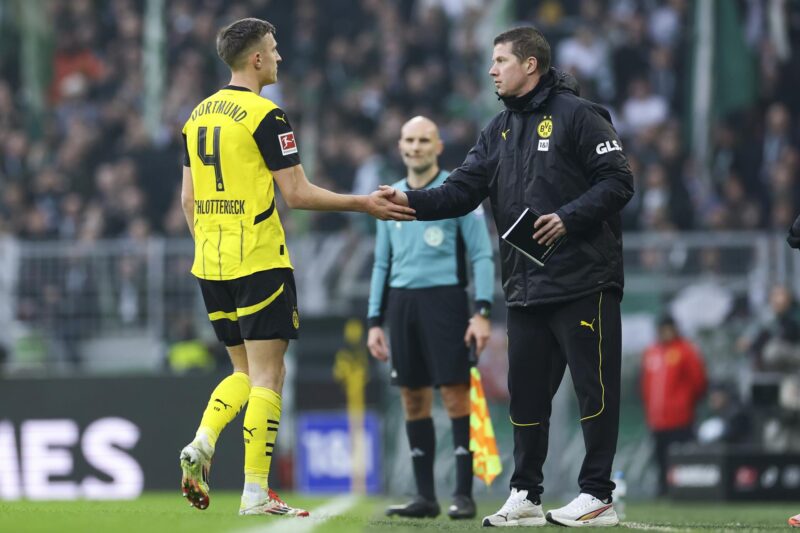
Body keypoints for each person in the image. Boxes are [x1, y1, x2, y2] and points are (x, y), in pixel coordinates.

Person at [378, 26, 634, 527]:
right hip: (526, 286)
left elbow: (619, 181)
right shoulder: (496, 130)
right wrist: (405, 201)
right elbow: (457, 193)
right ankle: (526, 493)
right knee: (525, 394)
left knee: (593, 389)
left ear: (530, 65)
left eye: (500, 61)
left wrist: (569, 216)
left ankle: (598, 493)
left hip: (584, 280)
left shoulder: (580, 117)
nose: (492, 70)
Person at [178, 18, 414, 518]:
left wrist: (211, 243)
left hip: (210, 263)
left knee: (241, 369)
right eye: (275, 48)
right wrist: (363, 204)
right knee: (269, 375)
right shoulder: (267, 115)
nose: (280, 56)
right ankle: (255, 492)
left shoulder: (196, 116)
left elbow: (188, 199)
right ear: (257, 59)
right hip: (259, 260)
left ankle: (203, 439)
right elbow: (298, 194)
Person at [367, 116, 495, 520]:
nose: (416, 146)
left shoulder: (456, 194)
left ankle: (463, 494)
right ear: (400, 145)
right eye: (409, 139)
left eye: (424, 140)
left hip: (447, 304)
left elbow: (481, 255)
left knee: (456, 394)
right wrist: (375, 320)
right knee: (412, 396)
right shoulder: (389, 196)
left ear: (438, 147)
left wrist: (483, 312)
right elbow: (381, 264)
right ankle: (425, 497)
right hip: (403, 306)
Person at [640, 315, 707, 496]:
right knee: (660, 459)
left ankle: (685, 492)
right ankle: (663, 491)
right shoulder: (652, 352)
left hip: (680, 418)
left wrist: (685, 403)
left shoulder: (685, 351)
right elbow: (646, 384)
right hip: (657, 419)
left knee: (681, 459)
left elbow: (698, 382)